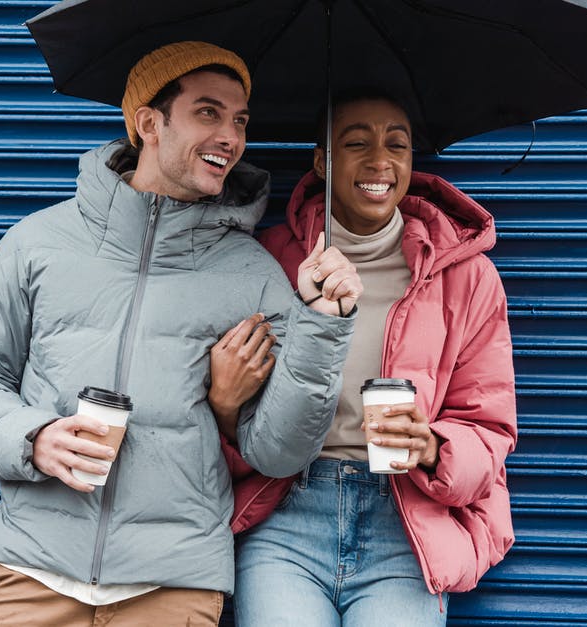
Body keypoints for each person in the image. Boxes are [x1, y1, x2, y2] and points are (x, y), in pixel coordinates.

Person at [0, 41, 362, 626]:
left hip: (171, 586)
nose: (231, 137)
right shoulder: (36, 243)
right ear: (149, 123)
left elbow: (281, 450)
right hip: (31, 572)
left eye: (240, 120)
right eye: (208, 112)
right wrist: (31, 437)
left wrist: (322, 324)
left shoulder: (254, 273)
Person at [214, 89, 518, 626]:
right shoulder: (268, 262)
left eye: (396, 145)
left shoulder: (466, 276)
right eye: (356, 143)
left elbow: (489, 426)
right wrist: (226, 409)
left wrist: (432, 446)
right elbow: (233, 414)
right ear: (321, 160)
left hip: (407, 523)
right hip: (287, 518)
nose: (380, 160)